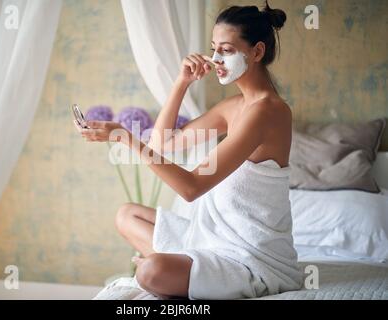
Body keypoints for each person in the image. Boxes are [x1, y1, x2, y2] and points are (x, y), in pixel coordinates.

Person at [74, 1, 303, 299]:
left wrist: (124, 137)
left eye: (227, 50)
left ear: (257, 52)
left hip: (248, 258)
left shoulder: (268, 112)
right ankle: (182, 272)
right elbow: (162, 144)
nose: (216, 58)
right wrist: (181, 83)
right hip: (211, 238)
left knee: (149, 272)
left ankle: (173, 273)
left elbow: (191, 188)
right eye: (213, 48)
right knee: (126, 215)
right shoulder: (233, 107)